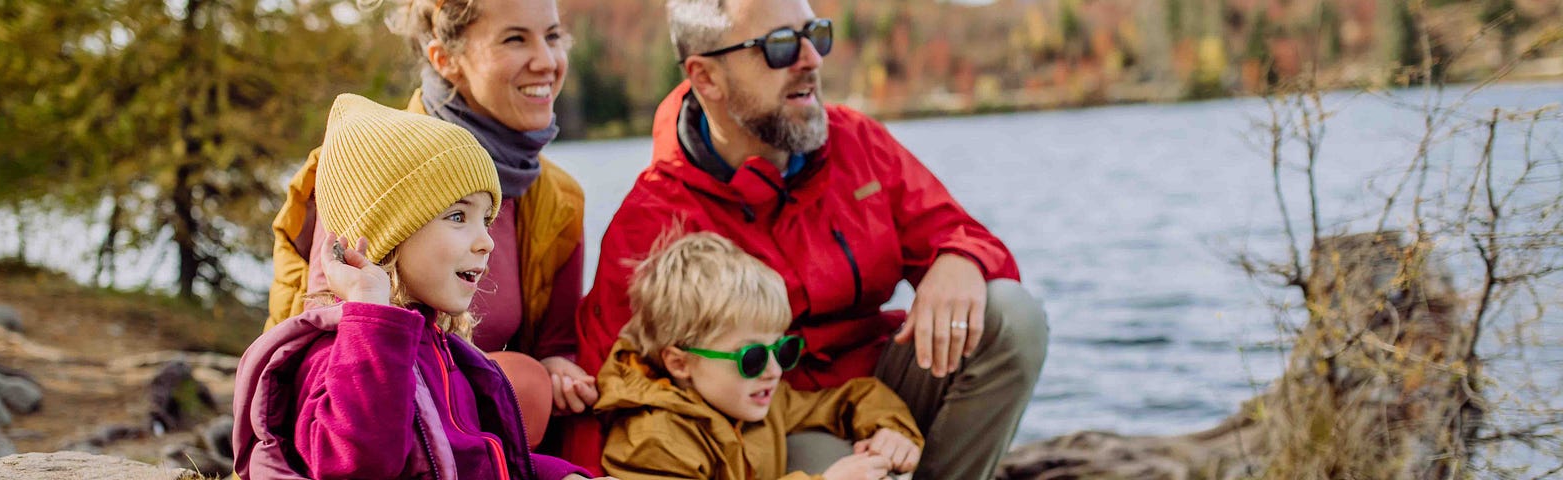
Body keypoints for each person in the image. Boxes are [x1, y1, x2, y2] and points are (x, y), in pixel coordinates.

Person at [570, 0, 1051, 477]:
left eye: (815, 35)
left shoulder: (856, 141)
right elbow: (612, 381)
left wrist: (958, 258)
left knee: (1009, 315)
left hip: (880, 386)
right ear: (706, 78)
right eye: (779, 46)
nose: (811, 59)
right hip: (769, 421)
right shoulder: (653, 219)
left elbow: (963, 234)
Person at [264, 0, 598, 441]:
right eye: (515, 39)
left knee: (530, 384)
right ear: (446, 60)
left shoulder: (560, 197)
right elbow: (318, 353)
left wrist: (557, 370)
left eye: (553, 36)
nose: (548, 61)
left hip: (483, 433)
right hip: (370, 421)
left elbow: (554, 346)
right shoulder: (372, 168)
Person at [233, 94, 603, 480]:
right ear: (390, 234)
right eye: (458, 216)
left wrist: (562, 476)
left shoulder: (438, 349)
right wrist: (370, 312)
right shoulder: (337, 355)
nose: (486, 241)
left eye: (486, 220)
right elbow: (360, 464)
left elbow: (475, 460)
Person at [594, 232, 922, 480]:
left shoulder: (759, 400)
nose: (774, 370)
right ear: (680, 363)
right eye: (751, 358)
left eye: (782, 349)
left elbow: (850, 398)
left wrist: (891, 430)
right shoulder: (654, 441)